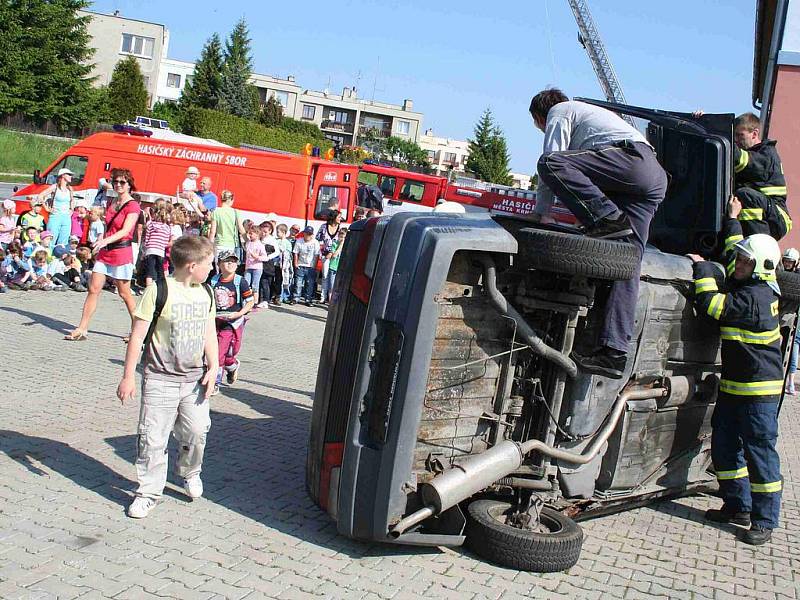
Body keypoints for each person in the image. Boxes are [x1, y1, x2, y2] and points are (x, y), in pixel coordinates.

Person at [530, 88, 668, 378]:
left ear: (542, 115)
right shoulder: (596, 121)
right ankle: (613, 352)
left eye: (538, 124)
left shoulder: (561, 110)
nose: (541, 129)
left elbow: (552, 159)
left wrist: (542, 213)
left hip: (632, 165)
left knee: (549, 164)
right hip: (653, 177)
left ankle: (608, 220)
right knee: (626, 262)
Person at [688, 198, 783, 546]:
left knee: (759, 454)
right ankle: (737, 505)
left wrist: (701, 271)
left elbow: (713, 305)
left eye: (744, 260)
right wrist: (732, 220)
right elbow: (732, 252)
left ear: (758, 267)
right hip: (734, 387)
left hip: (757, 393)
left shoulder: (753, 300)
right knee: (726, 448)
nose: (736, 263)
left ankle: (764, 519)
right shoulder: (751, 282)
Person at [116, 235, 217, 519]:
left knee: (197, 432)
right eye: (208, 263)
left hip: (194, 381)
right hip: (160, 379)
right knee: (153, 438)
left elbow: (210, 332)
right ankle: (148, 492)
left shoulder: (205, 292)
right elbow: (137, 337)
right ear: (191, 265)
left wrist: (214, 366)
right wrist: (128, 377)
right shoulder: (159, 291)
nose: (212, 268)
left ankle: (189, 472)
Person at [65, 168, 142, 342]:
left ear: (129, 184)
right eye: (116, 182)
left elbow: (125, 230)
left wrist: (106, 241)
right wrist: (101, 240)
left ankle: (138, 331)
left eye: (122, 182)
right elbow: (108, 226)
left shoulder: (133, 205)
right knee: (93, 288)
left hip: (121, 251)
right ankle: (82, 328)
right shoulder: (112, 201)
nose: (118, 185)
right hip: (106, 251)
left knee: (125, 293)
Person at [731, 112, 790, 240]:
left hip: (776, 216)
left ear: (754, 134)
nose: (735, 140)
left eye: (739, 135)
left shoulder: (767, 154)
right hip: (765, 210)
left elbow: (743, 161)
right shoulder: (753, 152)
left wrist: (723, 139)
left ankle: (756, 244)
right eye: (733, 136)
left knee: (745, 195)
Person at [210, 251, 254, 395]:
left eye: (233, 261)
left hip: (232, 323)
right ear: (219, 264)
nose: (230, 264)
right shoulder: (213, 280)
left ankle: (227, 370)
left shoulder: (240, 281)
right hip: (215, 321)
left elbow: (250, 301)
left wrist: (239, 313)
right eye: (227, 261)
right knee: (217, 353)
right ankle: (218, 378)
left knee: (227, 352)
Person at [38, 168, 75, 247]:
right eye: (69, 174)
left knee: (64, 241)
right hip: (55, 216)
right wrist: (47, 208)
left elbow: (72, 200)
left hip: (66, 217)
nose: (71, 176)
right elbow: (41, 196)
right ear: (63, 176)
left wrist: (71, 210)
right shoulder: (54, 187)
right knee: (51, 239)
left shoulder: (70, 188)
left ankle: (60, 256)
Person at [209, 190, 244, 264]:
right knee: (228, 268)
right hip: (231, 245)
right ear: (231, 199)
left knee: (219, 267)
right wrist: (247, 241)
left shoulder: (216, 211)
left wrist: (209, 244)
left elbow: (212, 231)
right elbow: (241, 229)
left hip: (219, 244)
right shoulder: (235, 212)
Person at [141, 203, 172, 287]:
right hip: (160, 250)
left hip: (150, 249)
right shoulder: (167, 227)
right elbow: (166, 240)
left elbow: (147, 237)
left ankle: (148, 289)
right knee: (160, 270)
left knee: (149, 272)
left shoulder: (150, 224)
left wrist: (145, 248)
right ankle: (160, 288)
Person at [782, 247, 800, 395]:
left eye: (790, 262)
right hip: (779, 315)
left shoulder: (795, 278)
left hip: (791, 318)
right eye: (786, 261)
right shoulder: (780, 273)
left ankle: (790, 383)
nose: (787, 264)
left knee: (792, 351)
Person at [290, 226, 320, 306]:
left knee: (309, 283)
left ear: (312, 235)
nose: (307, 236)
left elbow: (316, 255)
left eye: (309, 234)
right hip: (301, 264)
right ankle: (295, 298)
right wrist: (295, 263)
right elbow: (295, 252)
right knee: (298, 283)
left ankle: (308, 299)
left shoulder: (315, 242)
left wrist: (314, 266)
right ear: (304, 233)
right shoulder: (299, 241)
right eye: (306, 233)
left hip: (310, 266)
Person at [244, 226, 269, 306]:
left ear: (257, 234)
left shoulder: (260, 245)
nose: (249, 235)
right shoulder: (248, 243)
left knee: (255, 285)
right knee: (246, 283)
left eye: (251, 233)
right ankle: (246, 300)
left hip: (257, 268)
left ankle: (255, 302)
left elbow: (265, 258)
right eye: (249, 233)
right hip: (248, 267)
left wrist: (257, 257)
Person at [322, 228, 347, 304]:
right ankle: (331, 302)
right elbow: (334, 255)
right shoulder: (334, 244)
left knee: (340, 287)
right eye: (340, 236)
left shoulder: (347, 245)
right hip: (333, 267)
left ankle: (337, 302)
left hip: (341, 268)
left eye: (344, 237)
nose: (342, 239)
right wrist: (341, 245)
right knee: (332, 286)